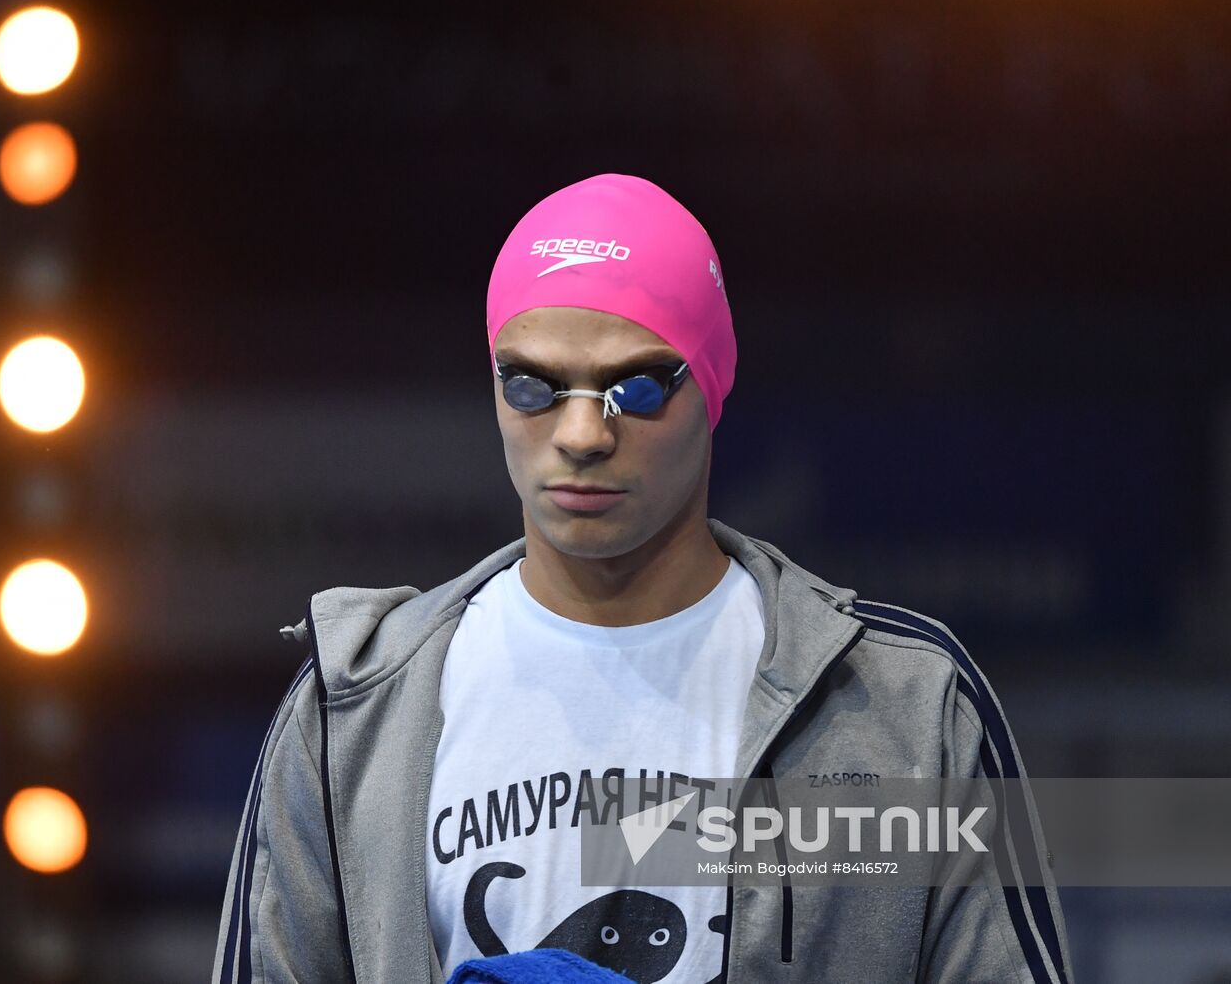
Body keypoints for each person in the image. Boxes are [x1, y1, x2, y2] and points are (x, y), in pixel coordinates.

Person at [211, 173, 1074, 983]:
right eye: (532, 385)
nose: (582, 432)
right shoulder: (354, 711)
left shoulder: (901, 704)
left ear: (713, 387)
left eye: (638, 387)